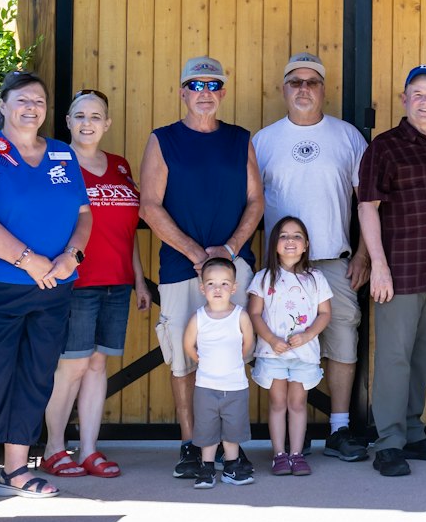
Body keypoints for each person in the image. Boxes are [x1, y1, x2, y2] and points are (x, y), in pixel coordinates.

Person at [0, 72, 91, 501]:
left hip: (55, 285)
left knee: (37, 376)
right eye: (22, 100)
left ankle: (16, 470)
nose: (31, 107)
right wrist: (28, 260)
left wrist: (71, 255)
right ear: (3, 105)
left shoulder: (62, 154)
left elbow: (84, 214)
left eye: (38, 100)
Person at [139, 54, 265, 480]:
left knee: (231, 353)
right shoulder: (163, 139)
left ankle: (231, 451)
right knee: (183, 356)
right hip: (180, 267)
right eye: (196, 85)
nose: (205, 93)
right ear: (182, 92)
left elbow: (256, 200)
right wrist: (197, 255)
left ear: (223, 92)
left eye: (213, 85)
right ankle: (192, 444)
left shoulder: (239, 139)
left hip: (233, 267)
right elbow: (150, 207)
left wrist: (228, 249)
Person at [251, 53, 370, 461]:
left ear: (324, 89)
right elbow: (250, 204)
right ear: (283, 89)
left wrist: (365, 254)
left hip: (333, 261)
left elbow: (367, 202)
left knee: (341, 336)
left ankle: (338, 428)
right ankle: (282, 441)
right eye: (296, 82)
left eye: (312, 82)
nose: (304, 89)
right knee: (278, 344)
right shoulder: (264, 141)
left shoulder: (348, 137)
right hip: (279, 268)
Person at [358, 65, 426, 478]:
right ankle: (388, 443)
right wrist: (379, 266)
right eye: (417, 94)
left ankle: (411, 430)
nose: (425, 101)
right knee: (393, 358)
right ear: (404, 100)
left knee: (422, 355)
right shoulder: (384, 147)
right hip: (400, 272)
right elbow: (367, 206)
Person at [39, 89, 147, 480]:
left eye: (96, 116)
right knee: (72, 366)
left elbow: (127, 230)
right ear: (67, 121)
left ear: (108, 123)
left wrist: (138, 277)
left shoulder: (119, 165)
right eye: (80, 115)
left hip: (117, 281)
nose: (88, 123)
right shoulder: (55, 161)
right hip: (77, 280)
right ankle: (53, 448)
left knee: (98, 364)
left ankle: (88, 449)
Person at [248, 216, 331, 477]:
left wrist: (307, 336)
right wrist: (272, 340)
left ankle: (296, 453)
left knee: (297, 403)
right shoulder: (263, 278)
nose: (290, 241)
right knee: (277, 403)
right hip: (273, 353)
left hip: (304, 354)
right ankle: (279, 455)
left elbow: (325, 314)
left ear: (306, 245)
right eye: (283, 235)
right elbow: (254, 314)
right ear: (274, 244)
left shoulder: (316, 278)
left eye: (297, 236)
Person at [183, 257, 256, 488]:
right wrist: (200, 360)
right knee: (206, 428)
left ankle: (231, 468)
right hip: (206, 386)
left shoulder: (240, 315)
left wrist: (236, 359)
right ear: (202, 288)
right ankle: (206, 468)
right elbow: (188, 345)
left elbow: (248, 343)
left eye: (225, 284)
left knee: (233, 430)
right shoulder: (199, 318)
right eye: (211, 284)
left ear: (234, 288)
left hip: (235, 385)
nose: (218, 289)